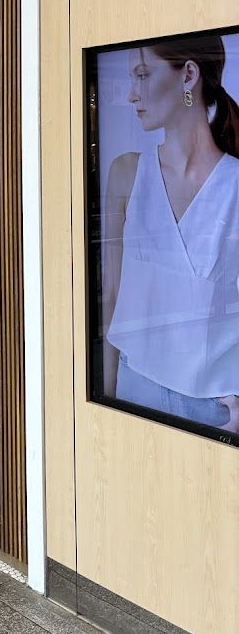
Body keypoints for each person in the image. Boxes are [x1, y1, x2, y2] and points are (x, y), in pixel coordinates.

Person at [101, 34, 239, 434]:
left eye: (142, 75)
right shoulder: (127, 172)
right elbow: (110, 290)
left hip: (215, 405)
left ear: (188, 75)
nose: (131, 94)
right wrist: (107, 390)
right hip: (134, 385)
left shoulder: (233, 184)